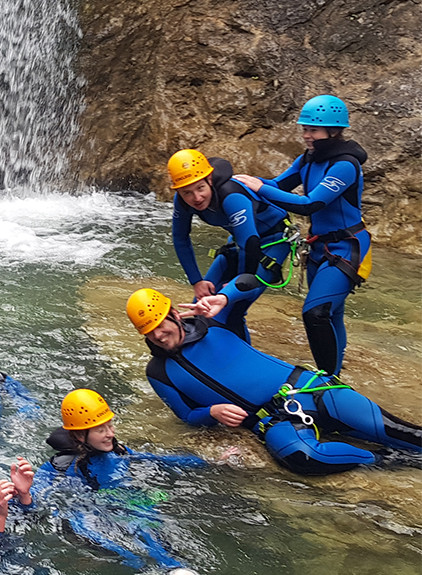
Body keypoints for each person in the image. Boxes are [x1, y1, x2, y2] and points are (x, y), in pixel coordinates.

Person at [127, 287, 422, 475]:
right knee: (303, 460)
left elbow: (253, 280)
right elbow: (186, 415)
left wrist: (226, 296)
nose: (157, 335)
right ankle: (386, 459)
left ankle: (399, 446)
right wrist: (211, 412)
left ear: (175, 315)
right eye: (148, 332)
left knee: (403, 432)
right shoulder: (158, 372)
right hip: (274, 422)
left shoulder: (215, 321)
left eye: (159, 325)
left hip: (311, 390)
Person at [232, 95, 370, 375]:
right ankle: (334, 375)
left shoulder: (345, 164)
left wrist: (259, 187)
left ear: (334, 131)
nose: (306, 135)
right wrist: (239, 183)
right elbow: (278, 185)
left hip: (346, 246)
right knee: (332, 313)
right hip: (320, 246)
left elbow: (311, 204)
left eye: (313, 130)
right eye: (304, 129)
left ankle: (328, 382)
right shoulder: (308, 159)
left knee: (316, 313)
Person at [41, 389, 207, 575]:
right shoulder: (60, 466)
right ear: (79, 435)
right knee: (111, 542)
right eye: (101, 430)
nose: (110, 434)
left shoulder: (119, 451)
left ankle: (174, 568)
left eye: (110, 425)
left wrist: (202, 462)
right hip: (89, 508)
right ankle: (146, 569)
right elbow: (36, 493)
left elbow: (154, 459)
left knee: (148, 524)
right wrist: (23, 493)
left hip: (125, 499)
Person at [167, 148, 295, 341]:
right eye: (187, 193)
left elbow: (250, 244)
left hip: (272, 242)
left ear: (209, 180)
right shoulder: (183, 200)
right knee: (199, 308)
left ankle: (240, 361)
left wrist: (237, 283)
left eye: (200, 188)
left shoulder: (231, 195)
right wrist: (196, 281)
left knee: (234, 308)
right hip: (239, 241)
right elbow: (180, 237)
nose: (196, 198)